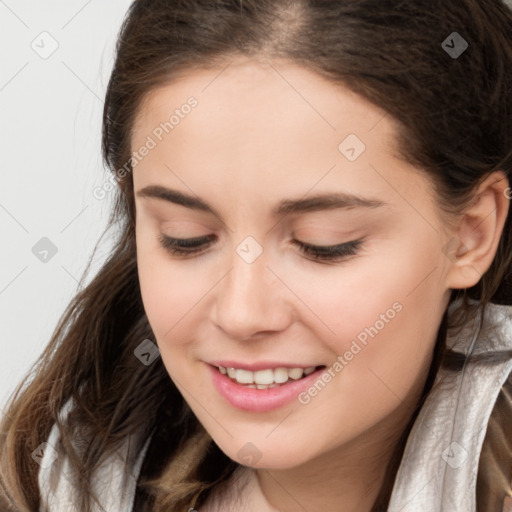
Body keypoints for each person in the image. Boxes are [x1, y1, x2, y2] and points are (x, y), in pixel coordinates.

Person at [1, 0, 512, 511]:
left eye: (323, 244)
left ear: (470, 235)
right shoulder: (44, 479)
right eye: (187, 238)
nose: (241, 314)